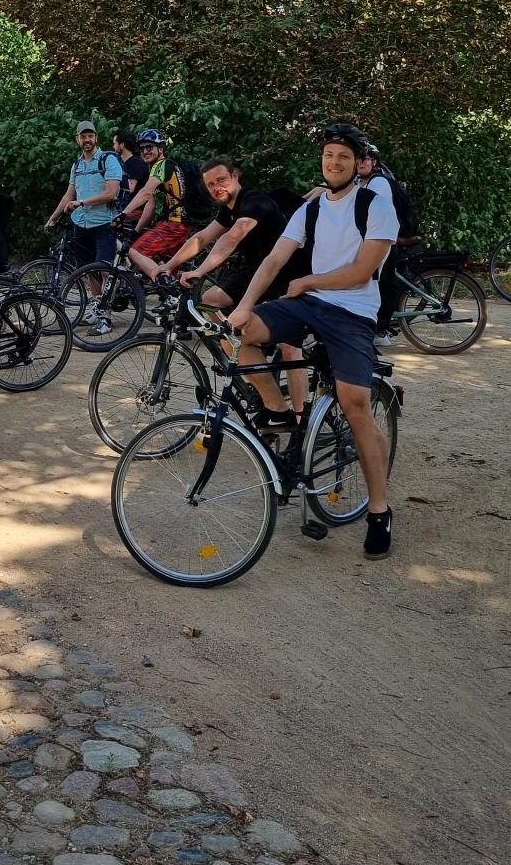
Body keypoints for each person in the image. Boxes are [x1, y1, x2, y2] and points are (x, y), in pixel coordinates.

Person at [228, 124, 399, 559]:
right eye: (328, 155)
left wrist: (308, 280)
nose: (334, 163)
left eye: (343, 156)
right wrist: (245, 305)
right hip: (310, 302)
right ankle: (279, 412)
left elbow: (362, 272)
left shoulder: (376, 205)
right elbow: (273, 259)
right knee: (246, 338)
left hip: (353, 312)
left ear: (358, 163)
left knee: (354, 402)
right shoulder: (312, 209)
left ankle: (379, 510)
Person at [160, 157, 310, 418]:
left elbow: (233, 237)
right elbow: (203, 237)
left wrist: (199, 270)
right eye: (211, 184)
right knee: (210, 299)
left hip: (287, 275)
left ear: (236, 176)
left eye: (221, 180)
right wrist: (168, 266)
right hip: (254, 272)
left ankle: (299, 419)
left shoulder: (255, 201)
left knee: (289, 350)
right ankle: (245, 354)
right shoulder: (228, 209)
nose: (217, 187)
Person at [45, 121, 124, 319]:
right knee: (89, 270)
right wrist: (52, 218)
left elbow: (111, 193)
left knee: (105, 270)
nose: (87, 139)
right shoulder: (77, 164)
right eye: (83, 136)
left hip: (103, 223)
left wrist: (81, 202)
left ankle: (105, 315)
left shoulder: (108, 160)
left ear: (96, 137)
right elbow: (68, 194)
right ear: (77, 139)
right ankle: (96, 309)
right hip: (81, 224)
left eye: (90, 136)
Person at [357, 141, 422, 344]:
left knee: (382, 281)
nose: (361, 162)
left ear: (374, 162)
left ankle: (381, 331)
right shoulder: (360, 182)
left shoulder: (378, 183)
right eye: (358, 158)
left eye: (366, 158)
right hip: (381, 236)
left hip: (390, 237)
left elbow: (373, 216)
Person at [120, 129, 192, 280]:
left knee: (135, 252)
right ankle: (171, 297)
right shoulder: (155, 168)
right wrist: (136, 230)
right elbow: (150, 206)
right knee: (167, 268)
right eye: (142, 148)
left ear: (161, 149)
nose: (145, 151)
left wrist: (123, 214)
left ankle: (165, 287)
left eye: (149, 147)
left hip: (173, 225)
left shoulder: (162, 165)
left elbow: (144, 193)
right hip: (175, 224)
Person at [113, 129, 149, 214]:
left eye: (114, 143)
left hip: (135, 211)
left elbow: (130, 188)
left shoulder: (135, 163)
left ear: (122, 145)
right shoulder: (119, 163)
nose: (113, 146)